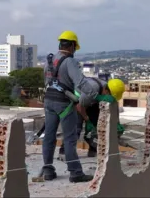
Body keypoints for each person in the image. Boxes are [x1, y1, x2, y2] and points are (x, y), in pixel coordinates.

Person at [41, 30, 97, 183]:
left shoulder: (49, 60)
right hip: (63, 103)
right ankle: (75, 173)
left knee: (49, 137)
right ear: (72, 46)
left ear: (60, 44)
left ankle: (48, 170)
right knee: (70, 139)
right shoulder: (70, 61)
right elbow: (80, 82)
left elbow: (46, 81)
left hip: (49, 101)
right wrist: (94, 94)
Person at [58, 77, 126, 159]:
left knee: (97, 124)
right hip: (75, 102)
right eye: (109, 96)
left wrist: (117, 123)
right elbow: (80, 106)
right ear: (106, 90)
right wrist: (87, 120)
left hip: (90, 101)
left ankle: (93, 149)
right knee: (76, 128)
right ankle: (64, 152)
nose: (108, 98)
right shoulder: (92, 89)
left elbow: (113, 106)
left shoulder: (107, 88)